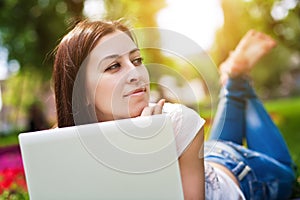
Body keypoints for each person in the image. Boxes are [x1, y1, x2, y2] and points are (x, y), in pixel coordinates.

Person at [52, 19, 295, 199]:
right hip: (203, 159)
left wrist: (153, 151)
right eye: (114, 66)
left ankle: (237, 78)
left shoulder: (177, 120)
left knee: (287, 174)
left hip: (241, 175)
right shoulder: (63, 150)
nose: (135, 73)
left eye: (136, 60)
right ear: (81, 92)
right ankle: (235, 78)